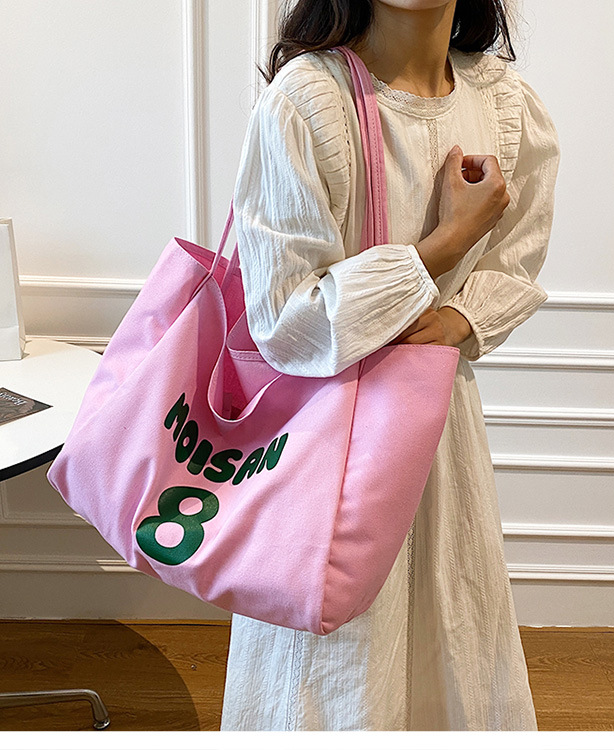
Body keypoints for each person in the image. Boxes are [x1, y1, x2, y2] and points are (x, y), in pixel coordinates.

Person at [220, 0, 560, 731]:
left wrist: (461, 319)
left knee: (451, 629)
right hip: (326, 445)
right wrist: (441, 248)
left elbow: (517, 259)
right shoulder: (310, 103)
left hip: (440, 436)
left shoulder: (503, 105)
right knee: (335, 663)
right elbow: (286, 323)